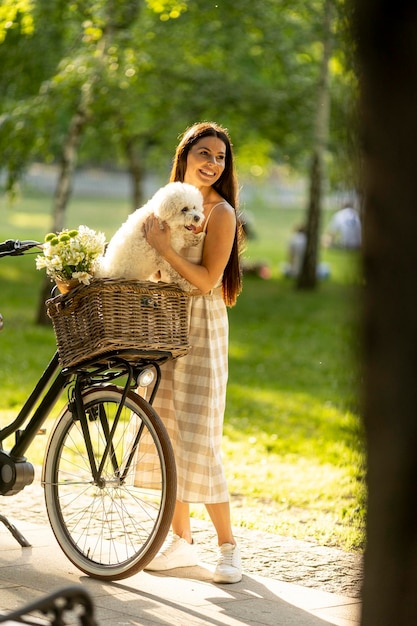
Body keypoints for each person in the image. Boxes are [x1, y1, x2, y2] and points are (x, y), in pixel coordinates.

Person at [142, 122, 244, 584]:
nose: (212, 163)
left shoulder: (220, 213)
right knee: (165, 431)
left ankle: (229, 549)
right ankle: (180, 541)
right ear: (184, 155)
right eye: (204, 153)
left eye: (220, 157)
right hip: (164, 324)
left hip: (201, 327)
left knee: (199, 437)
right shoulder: (168, 202)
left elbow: (206, 282)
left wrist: (164, 246)